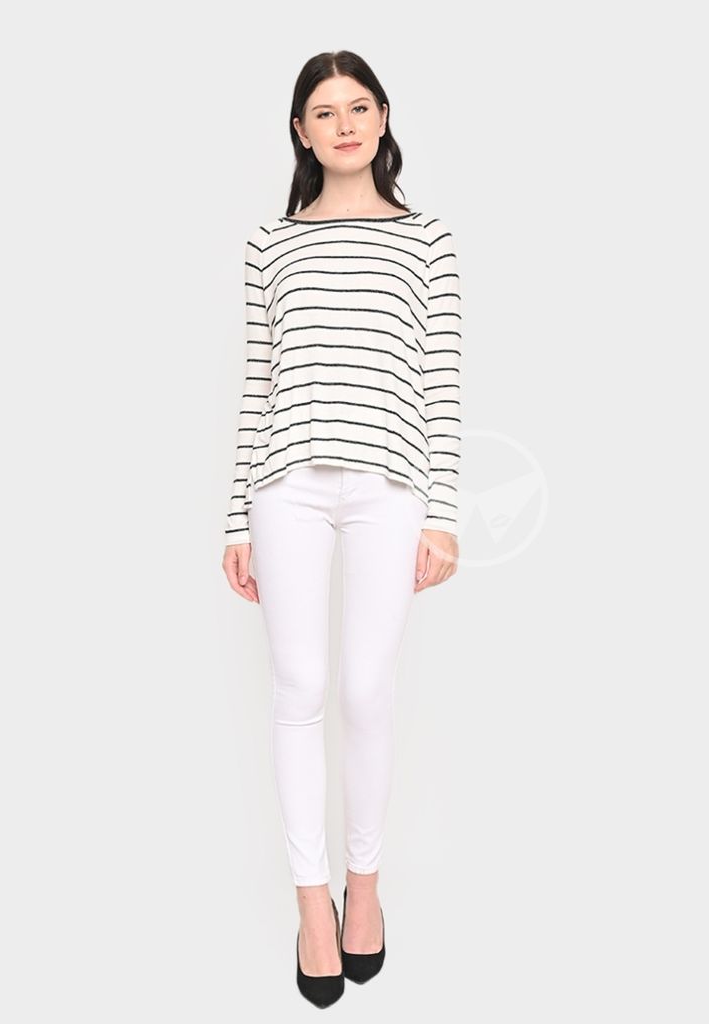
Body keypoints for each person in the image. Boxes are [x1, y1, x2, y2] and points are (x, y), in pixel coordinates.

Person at [220, 49, 462, 1007]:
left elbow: (442, 383)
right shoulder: (269, 246)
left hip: (390, 486)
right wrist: (236, 519)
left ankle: (366, 884)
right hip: (286, 486)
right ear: (301, 132)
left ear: (384, 118)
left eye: (359, 107)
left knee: (365, 688)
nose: (345, 124)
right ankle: (311, 903)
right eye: (324, 112)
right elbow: (258, 385)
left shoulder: (429, 240)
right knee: (299, 686)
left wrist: (444, 515)